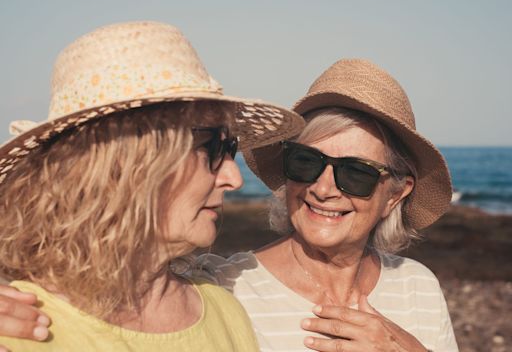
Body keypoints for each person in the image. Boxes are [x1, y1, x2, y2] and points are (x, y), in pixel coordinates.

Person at [0, 59, 457, 351]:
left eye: (354, 172)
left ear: (395, 192)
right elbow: (105, 273)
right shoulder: (221, 287)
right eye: (305, 161)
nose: (323, 187)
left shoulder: (418, 286)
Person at [0, 21, 303, 351]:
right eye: (212, 148)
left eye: (230, 149)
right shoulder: (24, 327)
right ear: (126, 166)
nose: (235, 178)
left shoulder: (224, 310)